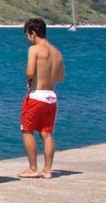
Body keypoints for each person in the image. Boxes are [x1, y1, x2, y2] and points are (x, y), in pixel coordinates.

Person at [19, 18, 64, 179]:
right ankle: (48, 169)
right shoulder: (57, 52)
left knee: (27, 130)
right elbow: (60, 77)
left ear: (33, 33)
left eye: (27, 35)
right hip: (51, 96)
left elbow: (30, 72)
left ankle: (33, 168)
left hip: (37, 95)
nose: (27, 38)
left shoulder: (35, 49)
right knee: (47, 133)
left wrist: (30, 80)